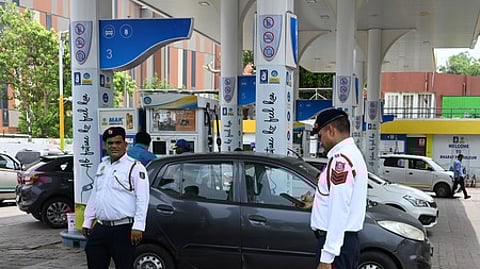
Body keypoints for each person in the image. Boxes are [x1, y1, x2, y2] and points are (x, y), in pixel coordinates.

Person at [82, 127, 150, 269]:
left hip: (124, 229)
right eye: (110, 143)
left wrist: (138, 226)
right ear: (105, 145)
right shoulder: (103, 166)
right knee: (93, 259)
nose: (114, 146)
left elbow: (142, 198)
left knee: (124, 265)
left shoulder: (135, 167)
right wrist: (88, 220)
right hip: (101, 227)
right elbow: (96, 194)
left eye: (118, 143)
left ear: (125, 145)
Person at [310, 108, 368, 269]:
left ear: (330, 130)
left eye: (320, 135)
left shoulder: (340, 161)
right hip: (344, 243)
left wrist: (327, 256)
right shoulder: (352, 155)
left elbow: (339, 208)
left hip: (336, 246)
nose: (320, 141)